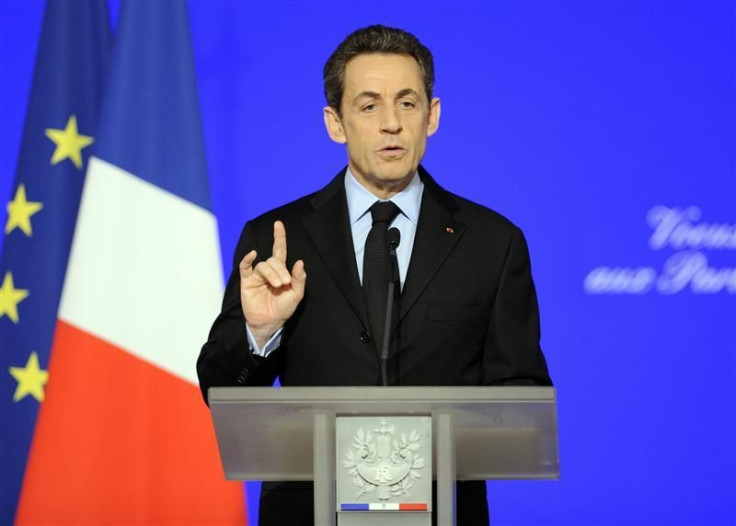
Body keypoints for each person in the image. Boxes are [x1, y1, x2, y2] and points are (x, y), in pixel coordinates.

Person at [197, 25, 552, 526]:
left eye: (407, 104)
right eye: (369, 106)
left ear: (432, 117)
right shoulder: (277, 236)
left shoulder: (492, 243)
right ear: (335, 123)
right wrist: (259, 332)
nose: (391, 124)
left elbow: (521, 403)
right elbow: (218, 388)